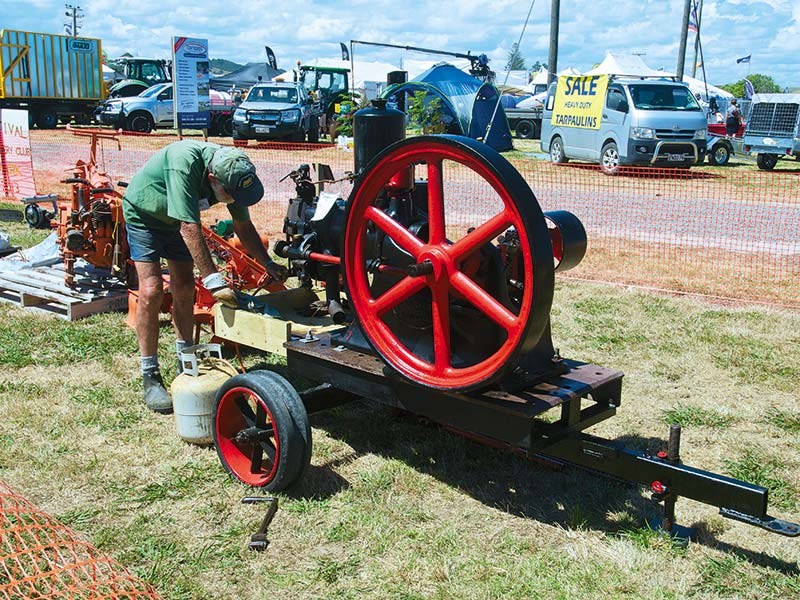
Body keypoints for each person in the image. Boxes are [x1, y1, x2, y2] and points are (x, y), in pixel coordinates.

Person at [122, 141, 287, 413]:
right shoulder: (183, 163)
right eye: (230, 195)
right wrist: (213, 280)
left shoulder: (230, 168)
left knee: (185, 288)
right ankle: (150, 375)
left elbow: (243, 226)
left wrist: (268, 263)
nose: (233, 200)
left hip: (176, 221)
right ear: (212, 179)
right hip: (145, 216)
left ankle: (185, 363)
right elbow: (189, 227)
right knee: (151, 290)